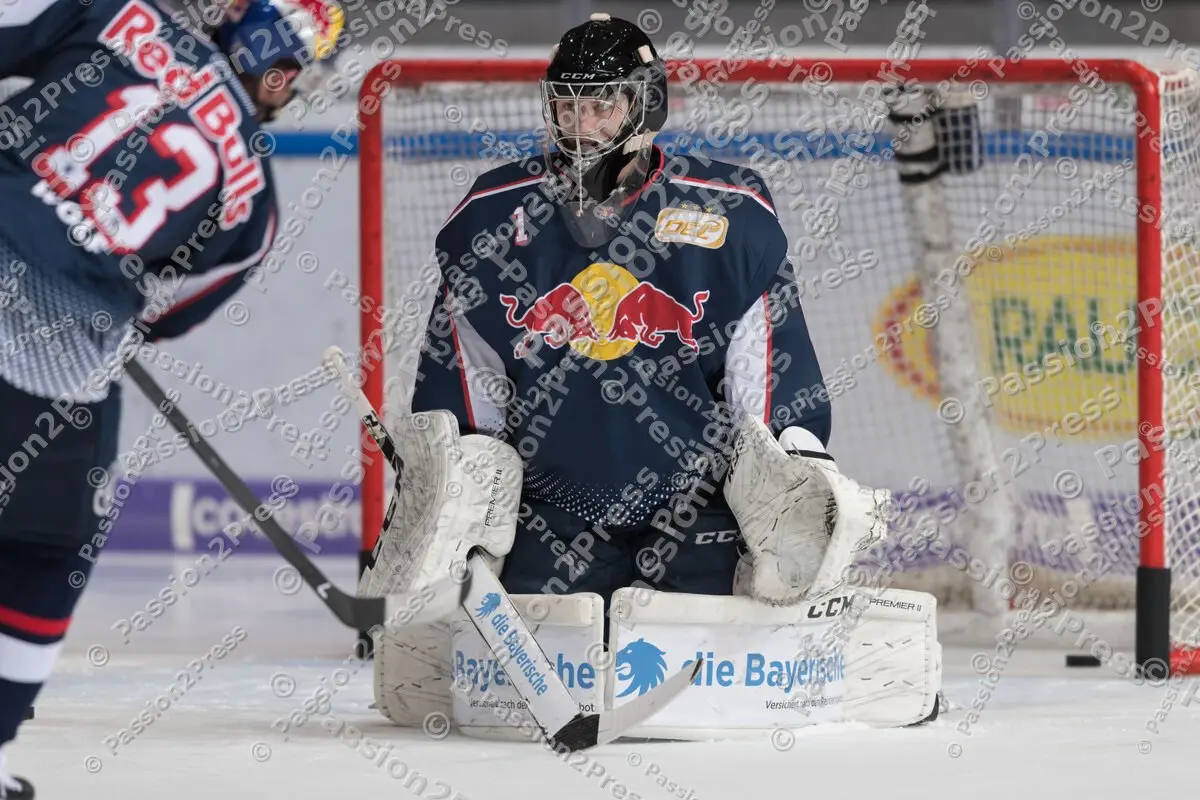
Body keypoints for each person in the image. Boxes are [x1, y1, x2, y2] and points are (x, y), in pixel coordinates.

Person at [361, 13, 898, 733]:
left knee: (710, 713)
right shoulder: (490, 222)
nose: (580, 124)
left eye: (602, 103)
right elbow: (470, 391)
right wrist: (452, 490)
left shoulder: (729, 216)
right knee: (511, 695)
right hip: (552, 512)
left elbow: (768, 387)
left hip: (695, 508)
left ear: (644, 105)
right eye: (567, 104)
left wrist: (799, 472)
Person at [0, 0, 342, 794]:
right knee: (44, 552)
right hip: (55, 368)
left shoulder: (115, 13)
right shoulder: (253, 201)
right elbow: (166, 316)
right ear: (280, 70)